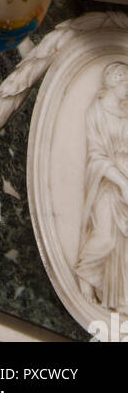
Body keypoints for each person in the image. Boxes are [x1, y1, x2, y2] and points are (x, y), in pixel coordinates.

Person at [75, 61, 128, 313]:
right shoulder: (96, 112)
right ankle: (85, 275)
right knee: (106, 238)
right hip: (107, 184)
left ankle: (121, 300)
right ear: (114, 82)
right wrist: (121, 181)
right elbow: (96, 156)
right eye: (125, 81)